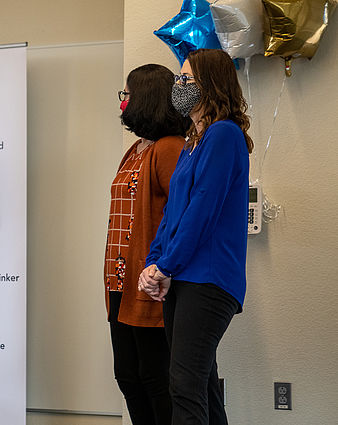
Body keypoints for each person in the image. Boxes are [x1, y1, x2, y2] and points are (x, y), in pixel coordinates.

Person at [138, 49, 252, 425]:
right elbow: (174, 212)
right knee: (200, 386)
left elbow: (202, 211)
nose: (179, 86)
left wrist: (166, 265)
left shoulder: (224, 135)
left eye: (187, 80)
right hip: (185, 279)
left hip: (209, 279)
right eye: (178, 80)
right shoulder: (193, 142)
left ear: (211, 86)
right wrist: (155, 262)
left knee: (184, 387)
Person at [104, 64, 188, 425]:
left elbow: (181, 214)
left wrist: (162, 265)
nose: (124, 101)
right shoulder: (136, 149)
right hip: (119, 282)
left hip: (150, 282)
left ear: (146, 98)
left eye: (128, 94)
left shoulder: (171, 149)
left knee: (156, 378)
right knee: (128, 376)